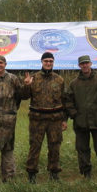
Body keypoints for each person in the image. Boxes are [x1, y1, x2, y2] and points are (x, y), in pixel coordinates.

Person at [20, 52, 67, 183]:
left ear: (53, 62)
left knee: (55, 146)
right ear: (41, 62)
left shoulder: (59, 79)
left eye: (50, 61)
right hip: (37, 119)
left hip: (55, 119)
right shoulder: (33, 78)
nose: (48, 63)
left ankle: (54, 173)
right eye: (46, 61)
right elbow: (23, 96)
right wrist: (26, 86)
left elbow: (64, 101)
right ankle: (31, 174)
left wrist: (64, 119)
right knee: (35, 146)